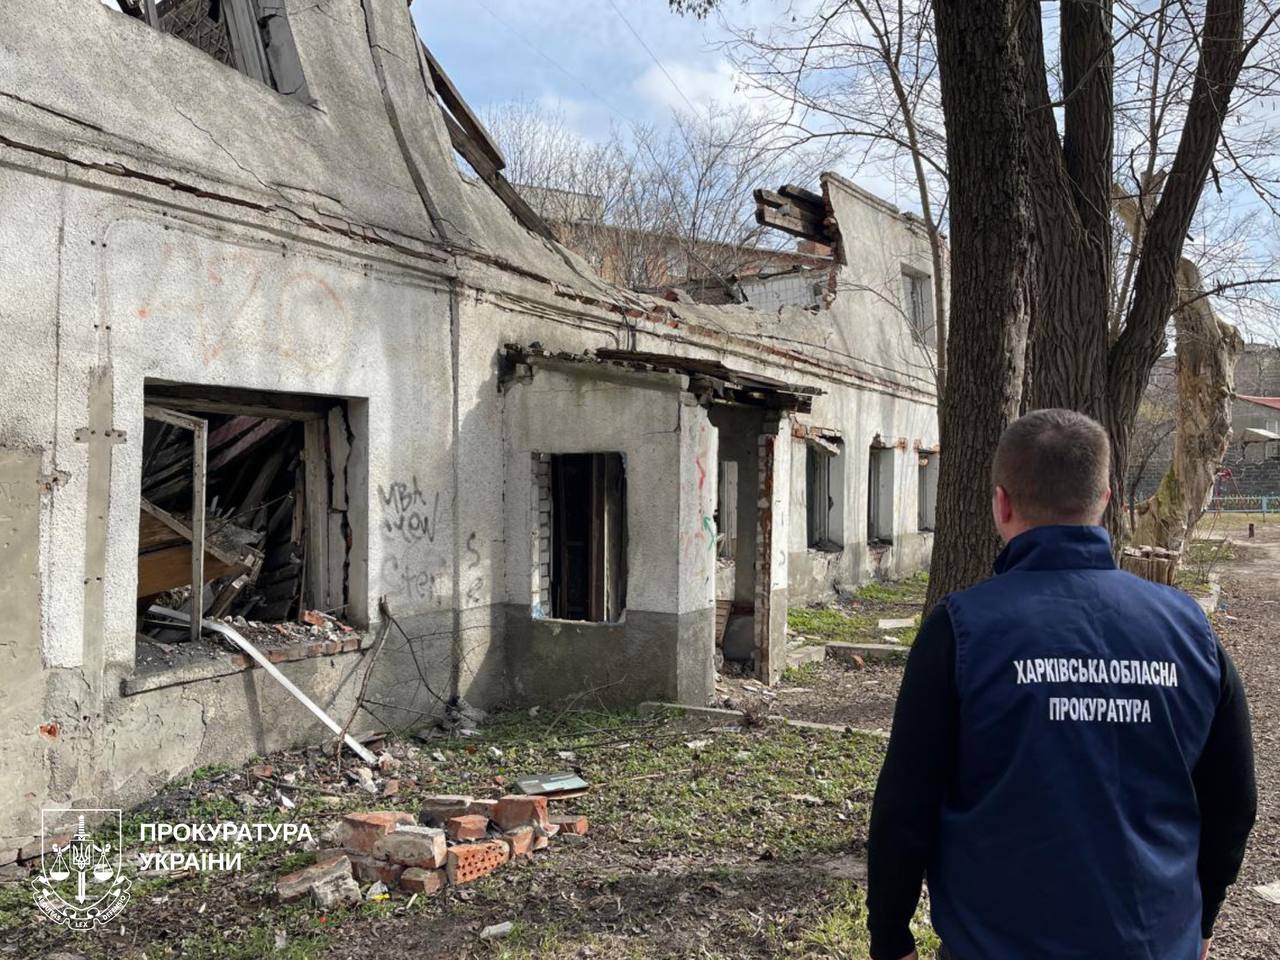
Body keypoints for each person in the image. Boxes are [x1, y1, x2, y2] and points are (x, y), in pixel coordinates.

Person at [866, 409, 1257, 960]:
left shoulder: (961, 631)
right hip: (1154, 943)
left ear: (1002, 503)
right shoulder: (1189, 630)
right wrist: (1202, 918)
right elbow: (1233, 800)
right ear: (1105, 499)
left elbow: (906, 803)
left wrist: (890, 936)